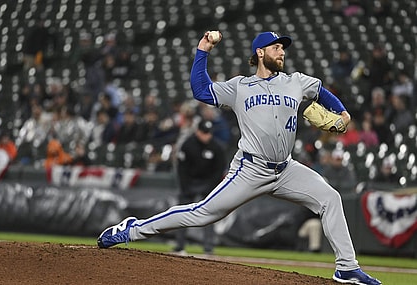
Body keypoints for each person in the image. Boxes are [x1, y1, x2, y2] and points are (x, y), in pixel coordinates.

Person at [97, 31, 382, 285]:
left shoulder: (295, 82)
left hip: (286, 169)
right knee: (203, 213)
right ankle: (132, 229)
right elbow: (200, 90)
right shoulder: (239, 87)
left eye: (283, 48)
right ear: (260, 52)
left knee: (330, 198)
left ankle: (346, 268)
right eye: (276, 47)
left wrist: (343, 113)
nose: (282, 52)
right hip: (250, 169)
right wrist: (203, 50)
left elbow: (321, 92)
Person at [172, 120, 227, 255]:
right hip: (190, 182)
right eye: (204, 133)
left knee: (209, 215)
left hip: (207, 184)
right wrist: (185, 187)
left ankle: (208, 247)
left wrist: (210, 188)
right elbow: (182, 169)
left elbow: (219, 170)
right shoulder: (188, 145)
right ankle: (180, 246)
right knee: (181, 214)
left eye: (208, 133)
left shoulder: (216, 147)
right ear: (197, 132)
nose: (206, 136)